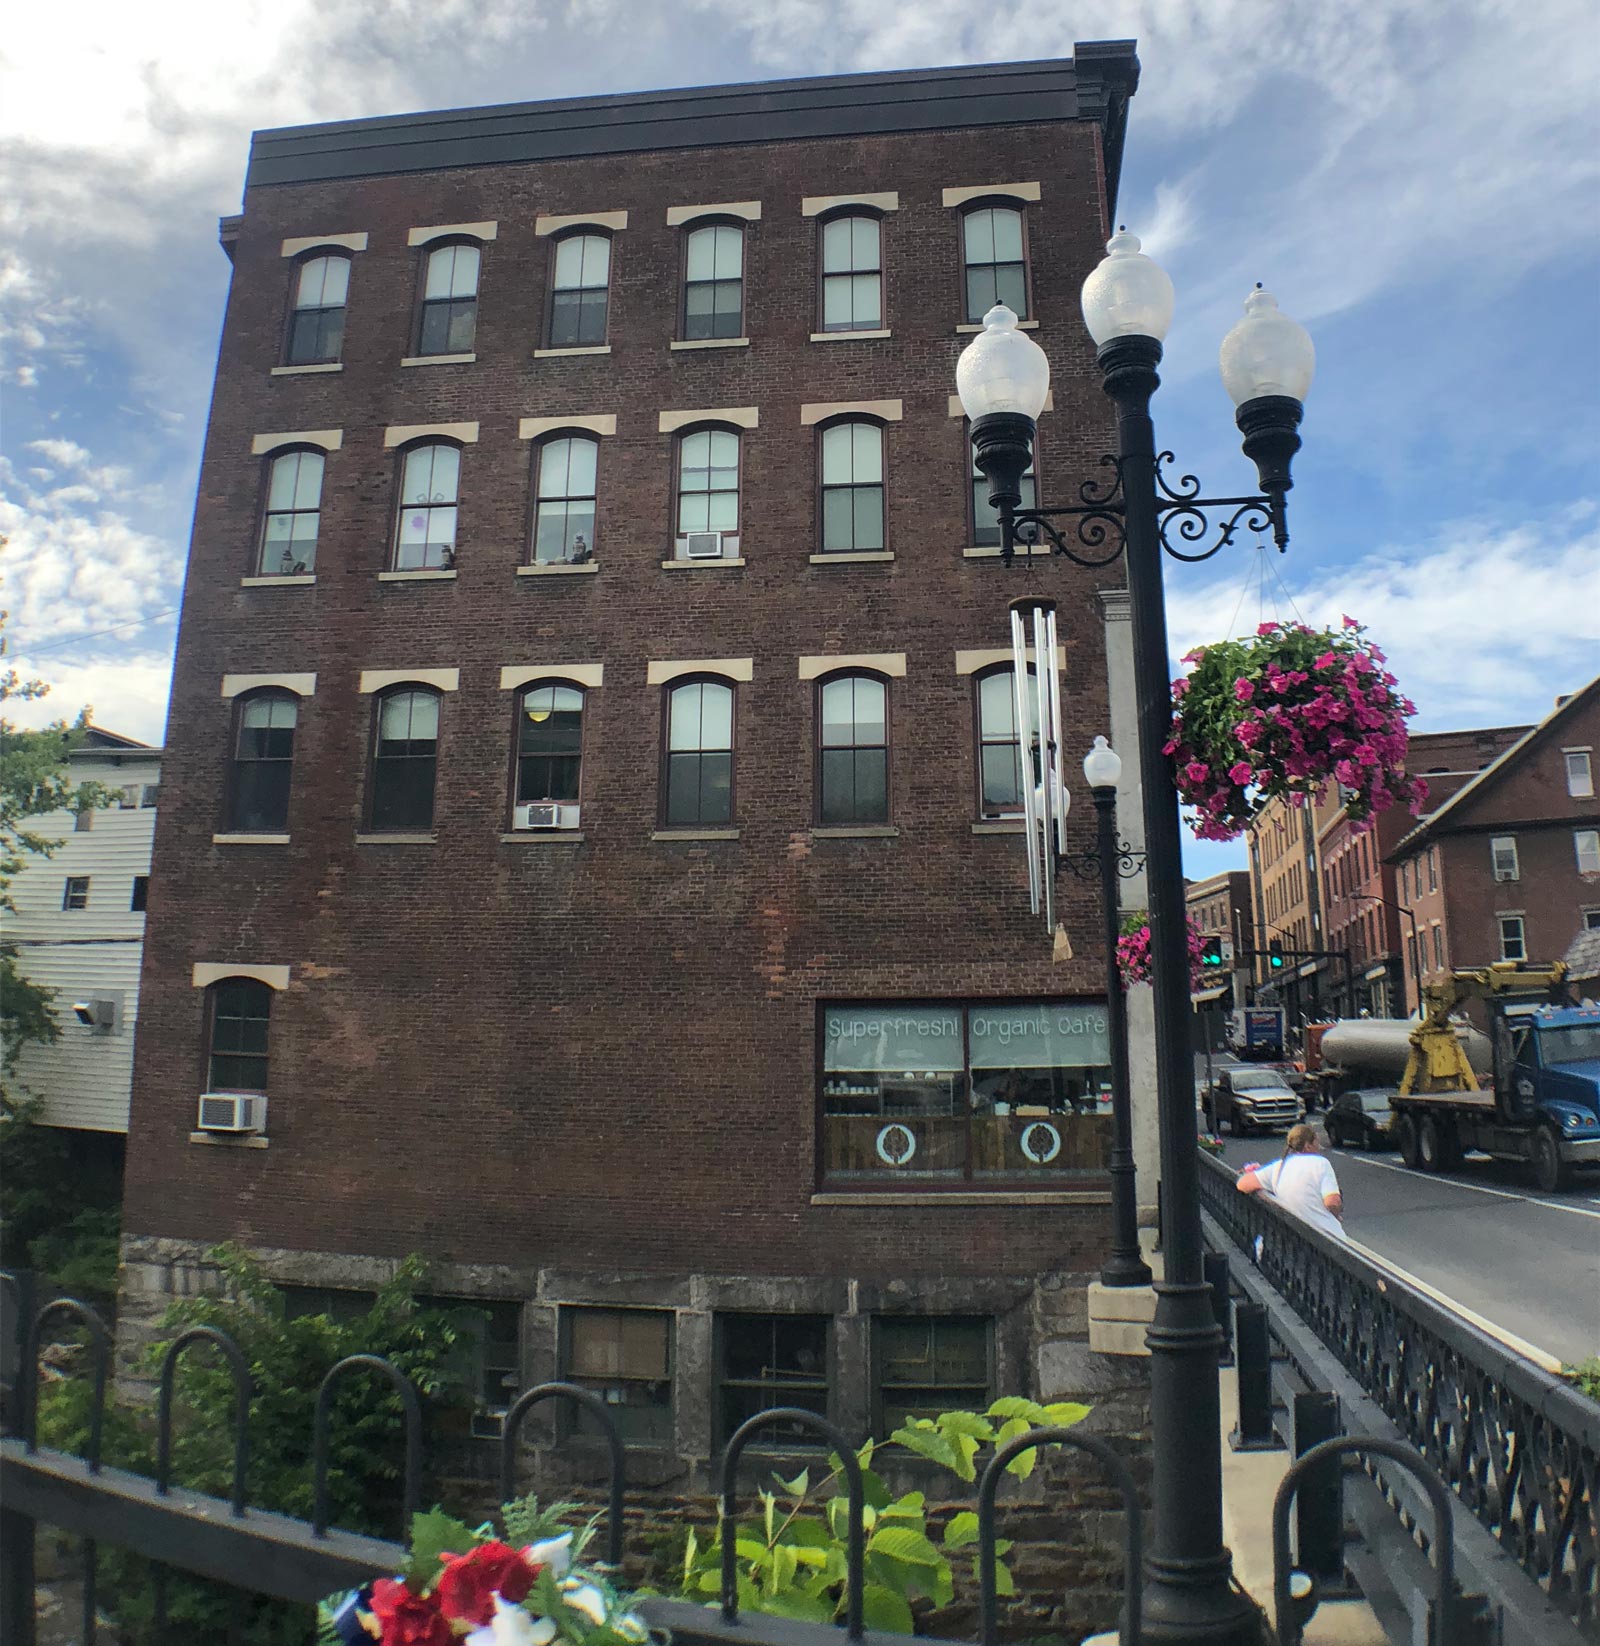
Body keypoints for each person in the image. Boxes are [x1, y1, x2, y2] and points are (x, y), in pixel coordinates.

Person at [1236, 1124, 1345, 1241]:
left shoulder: (1279, 1166)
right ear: (1308, 1146)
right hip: (1326, 1237)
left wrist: (1269, 1197)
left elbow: (1242, 1184)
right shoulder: (1321, 1164)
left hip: (1293, 1237)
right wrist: (1336, 1214)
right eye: (1316, 1143)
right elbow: (1332, 1202)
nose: (1319, 1148)